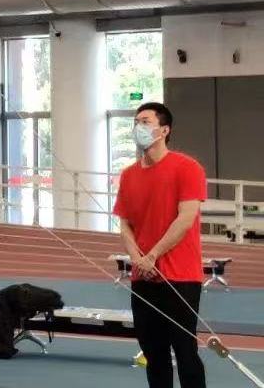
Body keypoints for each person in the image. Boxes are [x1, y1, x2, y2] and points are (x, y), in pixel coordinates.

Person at [113, 102, 207, 388]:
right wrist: (137, 259)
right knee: (154, 355)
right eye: (136, 122)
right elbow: (125, 224)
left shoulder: (188, 168)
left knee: (185, 353)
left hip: (180, 277)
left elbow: (186, 218)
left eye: (145, 122)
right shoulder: (128, 175)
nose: (138, 127)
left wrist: (153, 255)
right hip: (143, 277)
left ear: (164, 130)